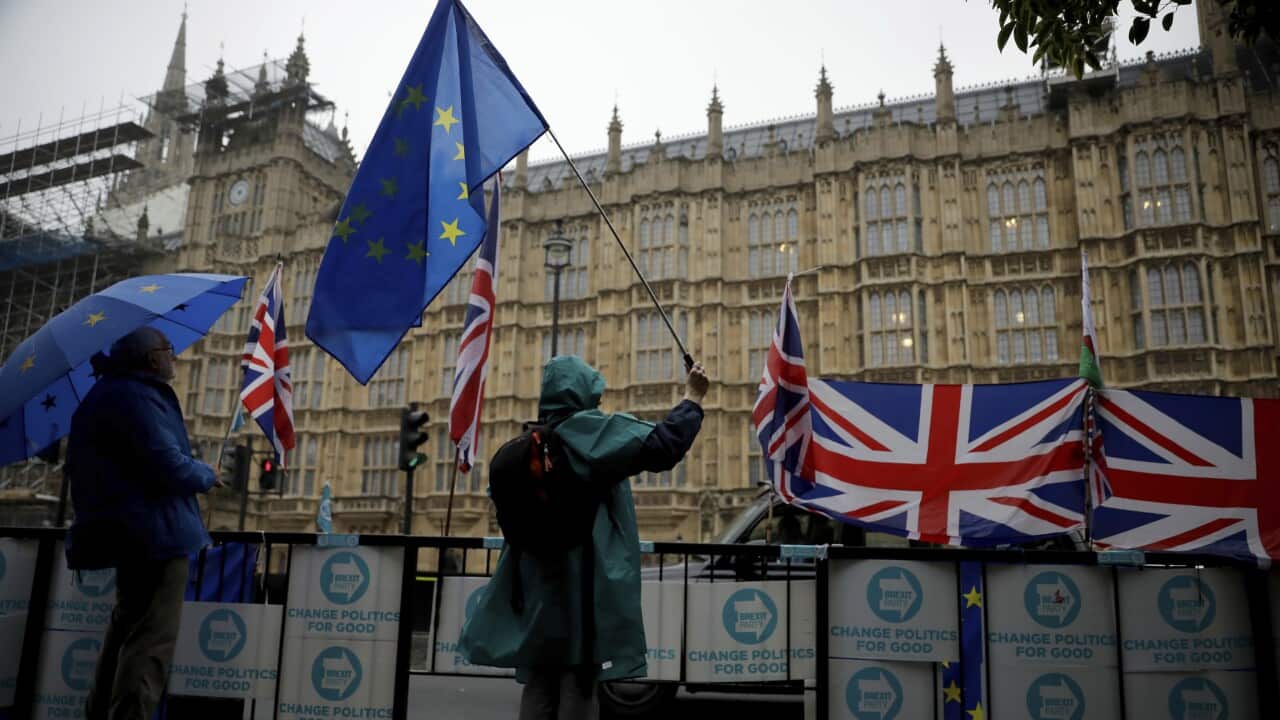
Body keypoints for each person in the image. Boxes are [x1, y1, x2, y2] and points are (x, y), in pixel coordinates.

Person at [461, 355, 708, 720]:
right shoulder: (589, 433)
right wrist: (693, 397)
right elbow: (664, 445)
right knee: (579, 678)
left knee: (540, 680)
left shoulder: (530, 440)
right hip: (581, 577)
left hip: (534, 578)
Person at [65, 327, 223, 720]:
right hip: (156, 535)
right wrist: (205, 474)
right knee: (150, 644)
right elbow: (165, 463)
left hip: (133, 533)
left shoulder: (109, 394)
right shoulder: (134, 397)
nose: (175, 357)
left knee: (124, 634)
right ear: (152, 358)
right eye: (169, 351)